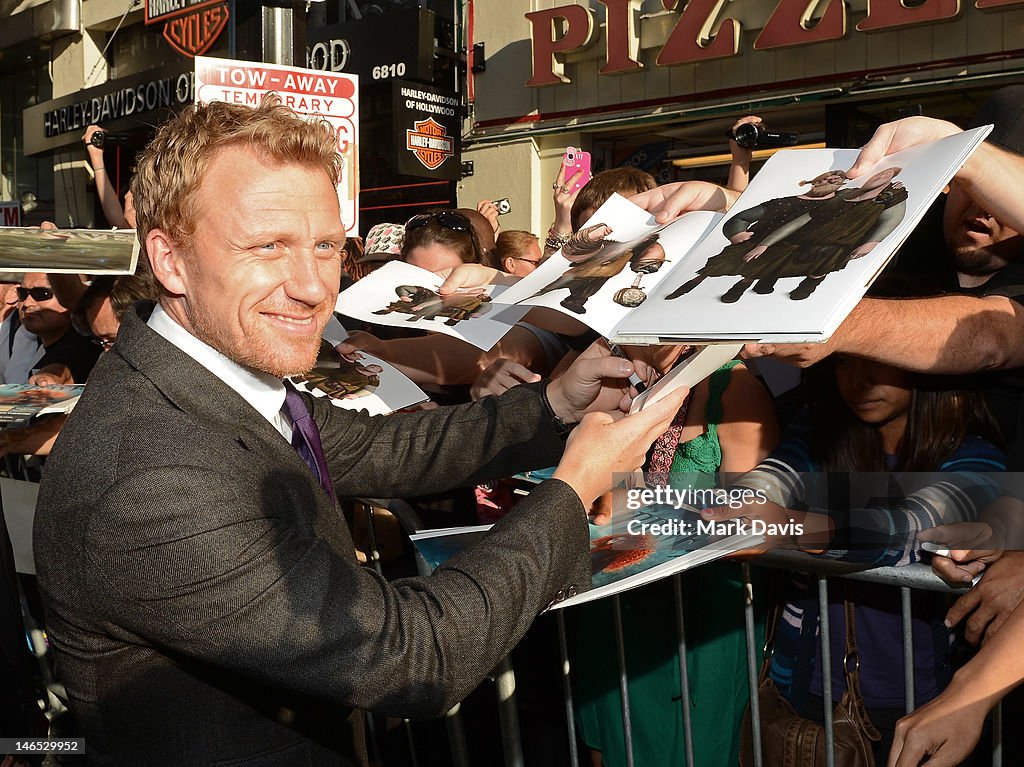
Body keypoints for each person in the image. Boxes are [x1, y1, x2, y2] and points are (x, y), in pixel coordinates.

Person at [31, 94, 689, 766]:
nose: (313, 287)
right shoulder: (152, 477)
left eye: (323, 246)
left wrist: (554, 403)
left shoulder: (217, 375)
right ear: (169, 261)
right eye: (269, 246)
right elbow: (413, 654)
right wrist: (572, 489)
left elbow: (387, 445)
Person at [703, 294, 1006, 760]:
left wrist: (793, 527)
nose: (858, 380)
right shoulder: (819, 428)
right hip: (798, 683)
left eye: (877, 362)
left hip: (913, 697)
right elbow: (778, 472)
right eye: (843, 363)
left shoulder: (977, 455)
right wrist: (749, 502)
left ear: (925, 360)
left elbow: (913, 528)